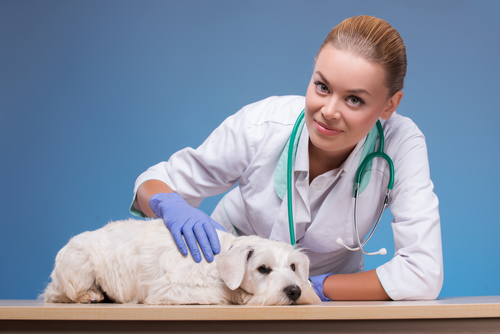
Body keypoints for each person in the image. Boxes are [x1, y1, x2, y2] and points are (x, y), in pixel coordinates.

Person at [130, 15, 443, 301]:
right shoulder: (261, 126)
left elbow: (423, 273)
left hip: (328, 297)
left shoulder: (401, 143)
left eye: (354, 99)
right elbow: (153, 184)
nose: (329, 111)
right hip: (236, 285)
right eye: (322, 87)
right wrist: (168, 204)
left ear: (390, 105)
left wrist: (314, 285)